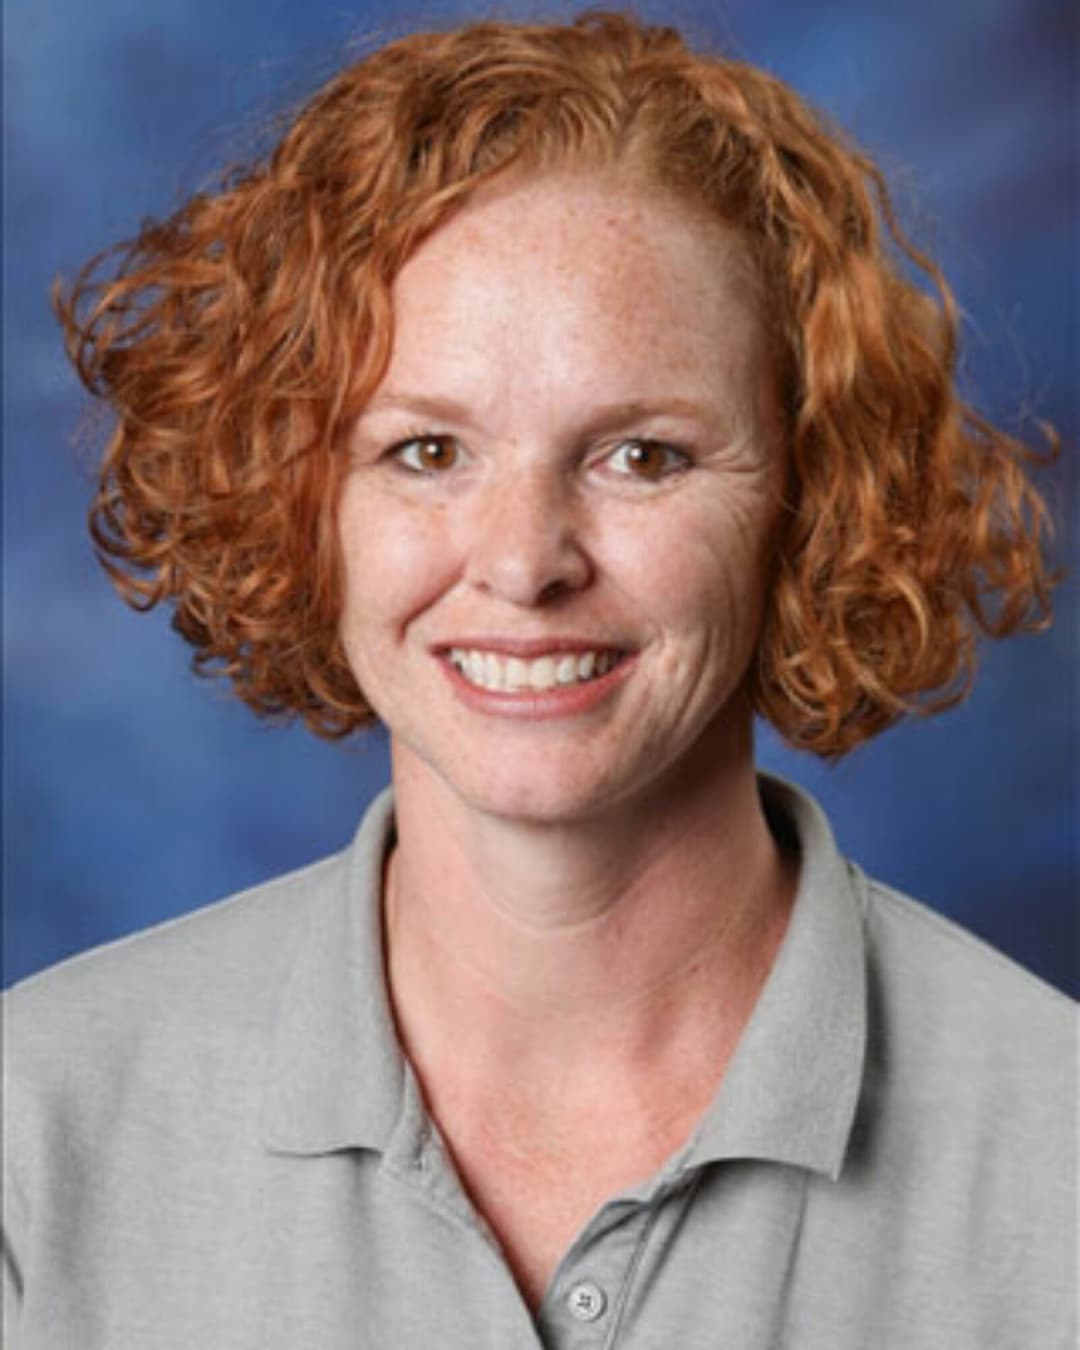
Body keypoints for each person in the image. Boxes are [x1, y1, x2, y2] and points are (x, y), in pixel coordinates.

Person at [3, 10, 1073, 1348]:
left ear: (811, 493)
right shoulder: (35, 1134)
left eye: (643, 455)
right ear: (296, 494)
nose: (522, 561)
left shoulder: (1058, 1155)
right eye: (426, 451)